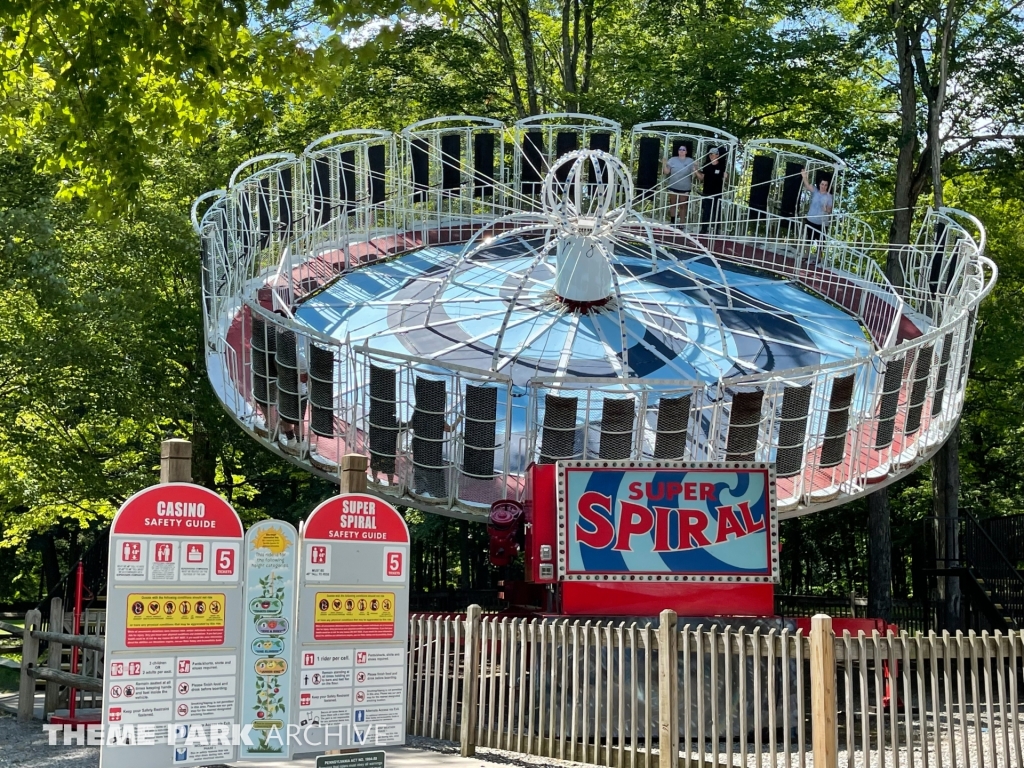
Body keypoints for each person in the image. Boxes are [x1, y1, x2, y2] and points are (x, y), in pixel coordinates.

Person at [696, 147, 728, 234]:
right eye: (710, 154)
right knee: (706, 211)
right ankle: (704, 228)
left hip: (717, 193)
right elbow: (701, 178)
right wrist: (696, 170)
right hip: (706, 192)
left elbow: (726, 180)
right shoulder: (706, 165)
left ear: (717, 155)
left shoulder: (722, 166)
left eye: (713, 154)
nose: (712, 156)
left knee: (716, 211)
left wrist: (726, 176)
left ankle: (716, 229)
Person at [662, 143, 695, 224]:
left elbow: (694, 174)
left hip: (685, 187)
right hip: (673, 186)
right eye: (680, 149)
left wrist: (696, 168)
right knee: (673, 204)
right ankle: (673, 221)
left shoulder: (690, 161)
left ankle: (682, 223)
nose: (681, 151)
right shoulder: (672, 160)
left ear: (686, 152)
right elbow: (666, 172)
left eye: (683, 150)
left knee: (683, 205)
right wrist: (664, 163)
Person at [801, 168, 834, 242]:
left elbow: (829, 209)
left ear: (827, 186)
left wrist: (826, 209)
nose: (823, 187)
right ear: (819, 184)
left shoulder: (829, 196)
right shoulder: (815, 190)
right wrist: (804, 177)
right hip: (811, 221)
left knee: (821, 245)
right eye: (822, 184)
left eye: (825, 185)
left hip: (822, 224)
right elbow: (807, 186)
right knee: (808, 242)